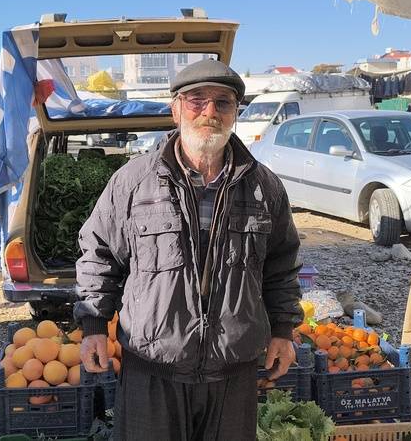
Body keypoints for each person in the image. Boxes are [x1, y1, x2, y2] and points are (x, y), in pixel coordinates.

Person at [74, 58, 303, 440]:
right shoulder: (132, 182)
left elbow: (281, 265)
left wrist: (283, 329)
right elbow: (99, 253)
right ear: (176, 108)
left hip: (233, 372)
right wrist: (95, 325)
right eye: (197, 100)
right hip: (152, 367)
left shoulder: (264, 187)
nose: (210, 112)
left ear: (235, 113)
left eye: (223, 103)